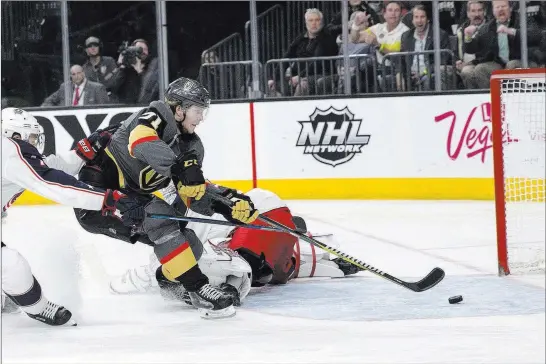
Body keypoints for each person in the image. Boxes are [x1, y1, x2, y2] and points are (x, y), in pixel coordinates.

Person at [73, 77, 259, 319]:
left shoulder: (192, 146)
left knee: (189, 242)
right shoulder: (155, 115)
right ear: (179, 109)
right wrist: (178, 168)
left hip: (132, 197)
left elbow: (189, 192)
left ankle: (168, 282)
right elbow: (140, 142)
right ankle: (200, 289)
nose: (201, 117)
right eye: (198, 110)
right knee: (162, 223)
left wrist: (225, 203)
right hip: (99, 198)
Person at [1, 107, 143, 326]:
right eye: (30, 137)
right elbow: (49, 182)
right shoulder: (8, 149)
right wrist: (107, 198)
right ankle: (39, 309)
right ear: (13, 135)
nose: (34, 142)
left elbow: (50, 168)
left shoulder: (8, 155)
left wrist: (85, 149)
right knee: (11, 265)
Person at [110, 187, 361, 304]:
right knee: (257, 265)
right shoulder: (169, 238)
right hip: (264, 233)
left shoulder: (181, 214)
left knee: (246, 264)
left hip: (260, 223)